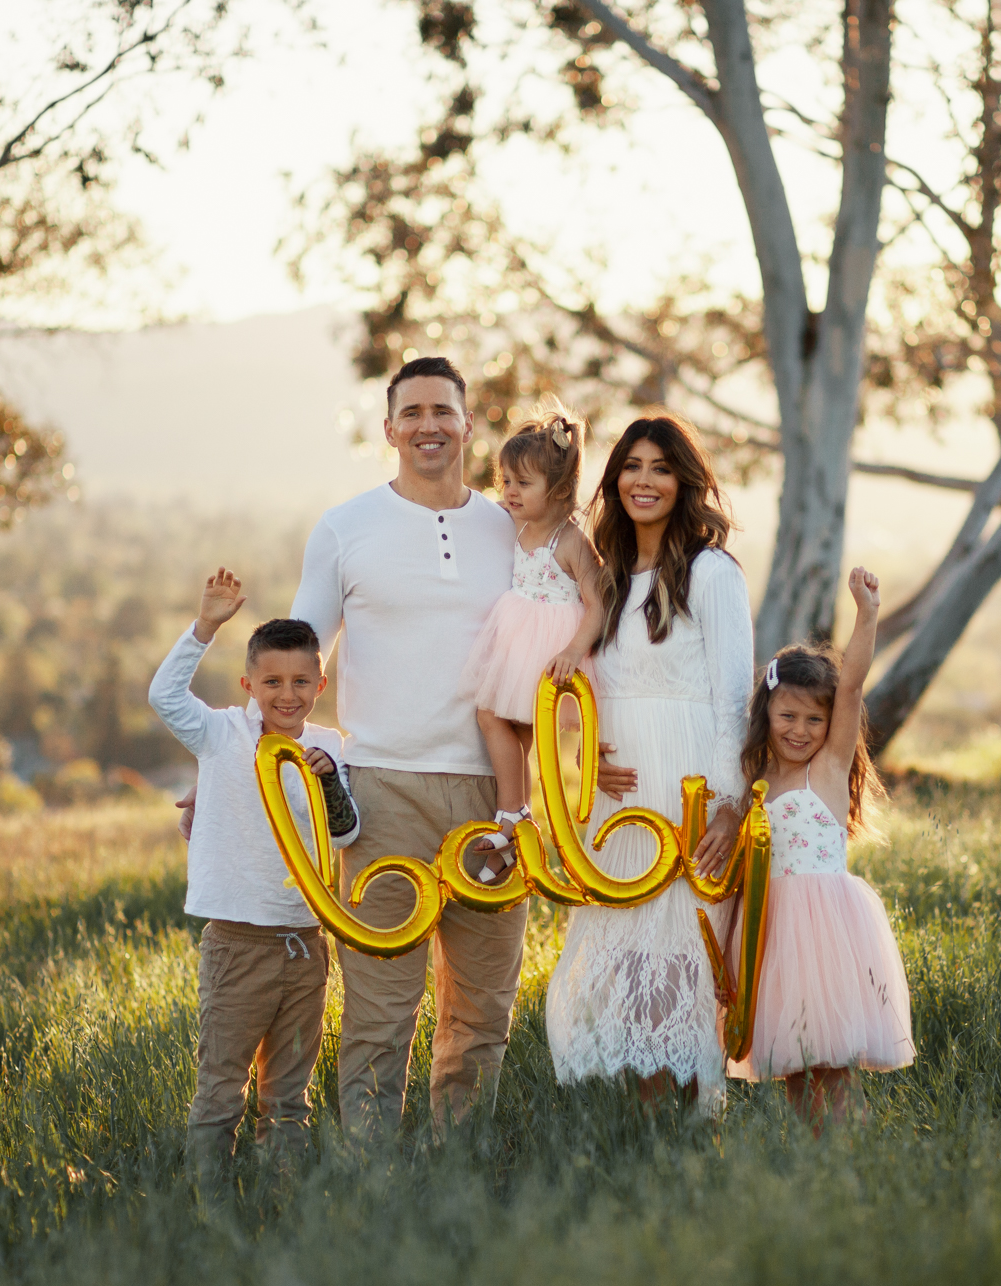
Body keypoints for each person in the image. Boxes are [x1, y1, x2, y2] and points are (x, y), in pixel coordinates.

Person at [289, 355, 525, 1141]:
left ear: (467, 422)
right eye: (412, 413)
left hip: (495, 799)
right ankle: (371, 1179)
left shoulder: (509, 529)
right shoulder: (345, 527)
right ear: (389, 429)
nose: (429, 426)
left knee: (483, 1006)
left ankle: (459, 1169)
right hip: (383, 791)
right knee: (381, 1004)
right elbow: (297, 665)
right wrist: (230, 765)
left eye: (443, 412)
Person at [544, 411, 754, 1111]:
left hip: (687, 784)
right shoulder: (607, 579)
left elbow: (732, 698)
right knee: (633, 953)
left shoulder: (711, 572)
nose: (644, 480)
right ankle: (646, 1121)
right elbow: (598, 687)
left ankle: (694, 1124)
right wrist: (594, 756)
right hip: (623, 800)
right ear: (614, 479)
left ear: (684, 482)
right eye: (632, 466)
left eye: (660, 468)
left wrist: (728, 802)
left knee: (683, 950)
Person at [148, 568, 360, 1179]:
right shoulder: (223, 735)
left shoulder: (329, 746)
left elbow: (345, 834)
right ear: (249, 684)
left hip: (305, 944)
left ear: (321, 683)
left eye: (300, 681)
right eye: (272, 681)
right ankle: (211, 1207)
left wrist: (327, 783)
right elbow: (164, 696)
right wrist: (206, 625)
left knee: (288, 1098)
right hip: (239, 943)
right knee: (221, 1089)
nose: (286, 694)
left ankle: (282, 1205)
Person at [727, 567, 916, 1125]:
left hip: (829, 931)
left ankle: (847, 1147)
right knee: (791, 1060)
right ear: (767, 714)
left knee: (832, 1062)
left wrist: (867, 613)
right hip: (772, 931)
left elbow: (852, 684)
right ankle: (814, 1161)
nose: (801, 730)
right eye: (788, 715)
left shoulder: (828, 769)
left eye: (816, 719)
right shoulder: (756, 779)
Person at [456, 405, 606, 882]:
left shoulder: (571, 540)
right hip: (514, 639)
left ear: (560, 490)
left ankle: (514, 815)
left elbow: (598, 602)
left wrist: (572, 651)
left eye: (523, 483)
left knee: (508, 724)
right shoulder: (511, 521)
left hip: (551, 647)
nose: (509, 492)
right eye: (505, 481)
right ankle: (516, 820)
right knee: (500, 721)